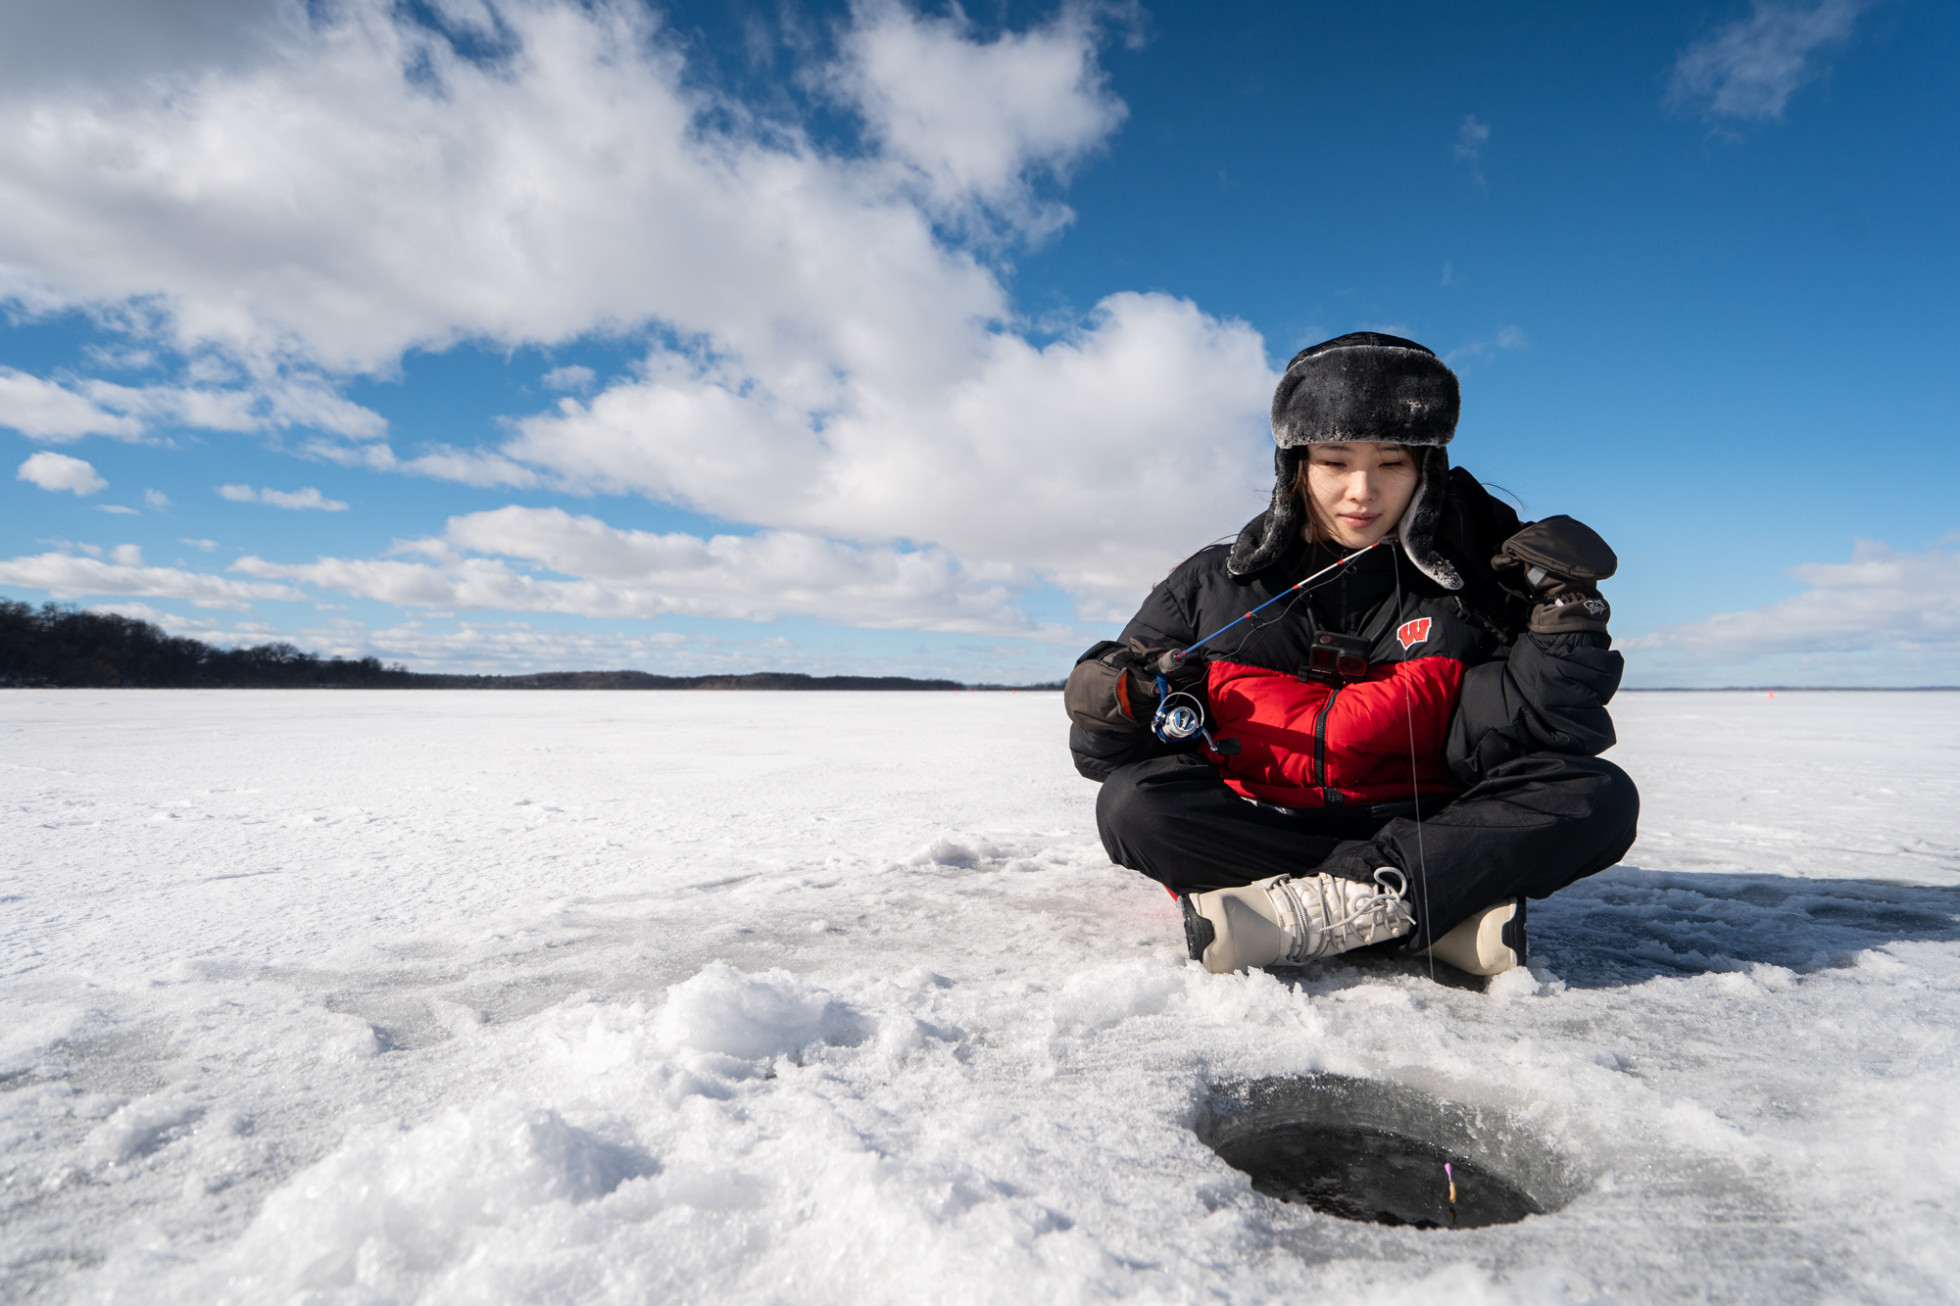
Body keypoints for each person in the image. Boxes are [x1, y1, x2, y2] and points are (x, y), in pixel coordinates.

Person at [1064, 332, 1638, 977]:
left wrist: (1567, 621)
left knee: (1598, 797)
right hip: (1266, 826)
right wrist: (1110, 703)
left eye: (1391, 463)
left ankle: (1295, 915)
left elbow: (1544, 734)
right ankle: (1427, 911)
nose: (1362, 491)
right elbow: (1106, 759)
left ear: (1426, 470)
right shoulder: (1207, 583)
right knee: (1133, 805)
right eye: (1336, 462)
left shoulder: (1484, 583)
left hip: (1432, 825)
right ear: (1297, 467)